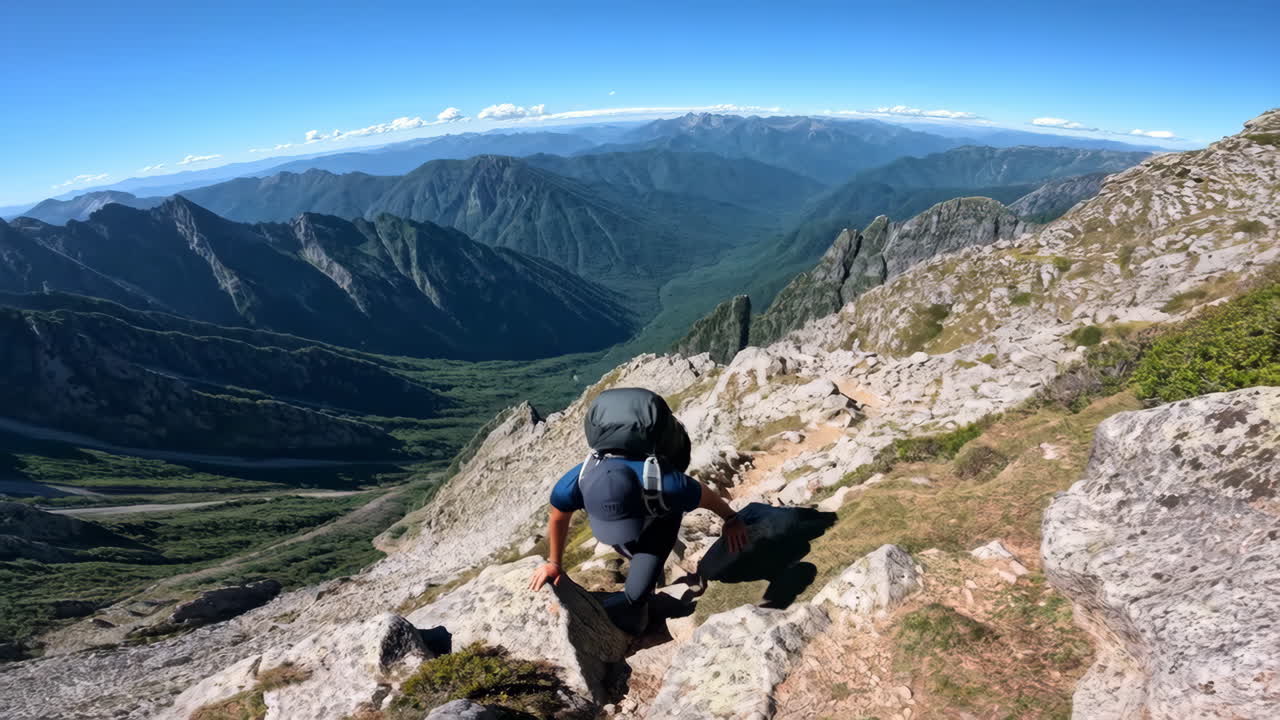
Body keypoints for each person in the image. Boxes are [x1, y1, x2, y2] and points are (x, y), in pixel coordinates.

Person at [527, 387, 748, 633]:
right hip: (645, 493)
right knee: (635, 556)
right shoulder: (575, 483)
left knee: (635, 596)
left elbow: (704, 495)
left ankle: (644, 592)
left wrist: (732, 519)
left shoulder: (667, 483)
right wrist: (554, 563)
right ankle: (646, 578)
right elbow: (558, 516)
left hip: (662, 514)